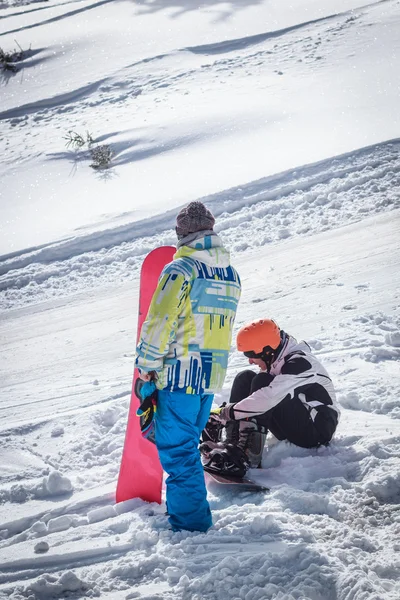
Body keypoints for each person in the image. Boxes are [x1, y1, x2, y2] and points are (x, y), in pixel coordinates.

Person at [135, 201, 241, 532]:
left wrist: (146, 363)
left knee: (178, 455)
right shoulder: (230, 274)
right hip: (209, 378)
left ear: (182, 234)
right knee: (185, 449)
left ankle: (191, 524)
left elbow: (160, 320)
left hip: (179, 377)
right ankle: (189, 513)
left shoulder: (180, 271)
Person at [201, 318, 340, 478]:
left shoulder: (300, 364)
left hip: (316, 431)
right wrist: (223, 417)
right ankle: (233, 445)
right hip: (294, 423)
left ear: (268, 351)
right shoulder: (277, 360)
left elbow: (267, 398)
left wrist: (225, 413)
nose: (250, 360)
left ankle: (247, 456)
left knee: (263, 383)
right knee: (245, 377)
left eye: (251, 354)